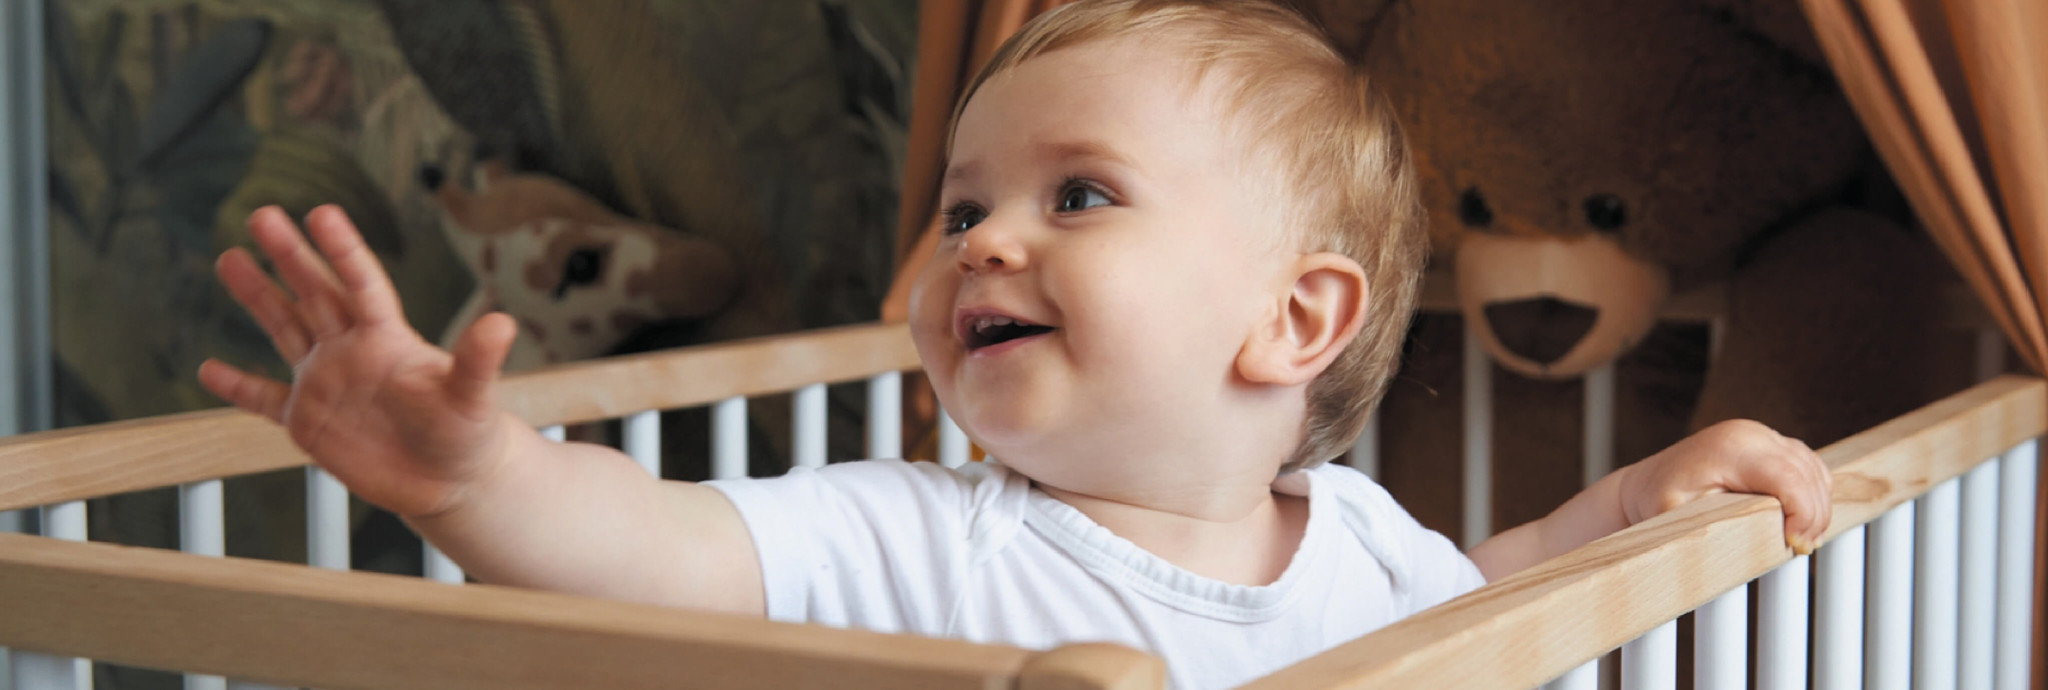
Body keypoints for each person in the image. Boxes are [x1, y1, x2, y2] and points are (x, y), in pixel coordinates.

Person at [199, 1, 1832, 687]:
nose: (983, 236)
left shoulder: (1359, 547)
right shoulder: (917, 529)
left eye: (1080, 193)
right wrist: (476, 480)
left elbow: (1502, 604)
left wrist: (1642, 512)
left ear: (1297, 320)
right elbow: (660, 549)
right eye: (967, 200)